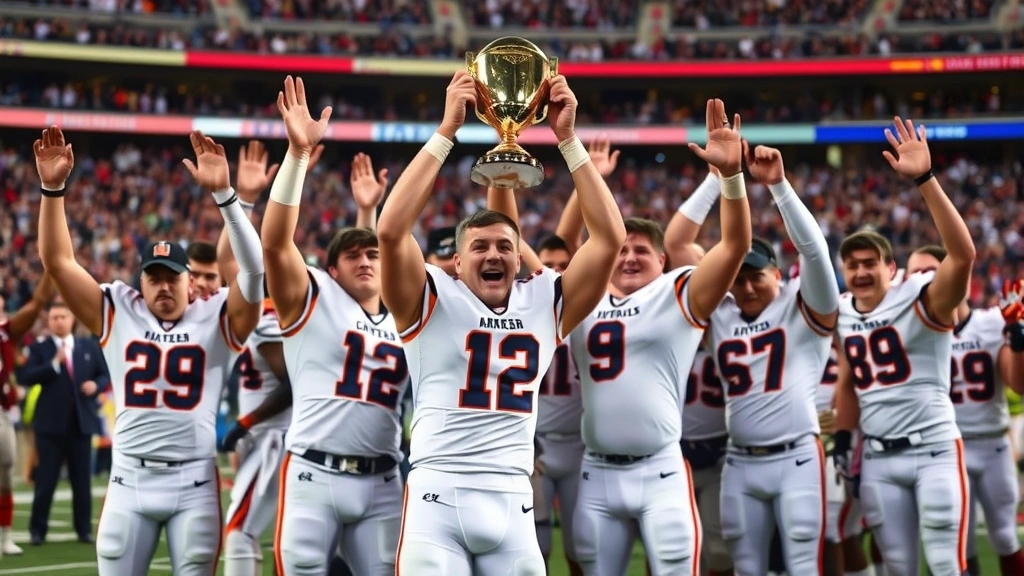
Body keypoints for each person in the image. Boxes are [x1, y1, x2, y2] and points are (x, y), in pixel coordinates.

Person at [378, 70, 625, 574]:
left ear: (519, 259)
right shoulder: (431, 296)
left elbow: (609, 240)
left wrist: (568, 139)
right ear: (456, 262)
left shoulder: (543, 300)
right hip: (438, 490)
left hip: (513, 493)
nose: (493, 254)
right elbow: (390, 230)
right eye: (480, 246)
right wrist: (446, 131)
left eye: (504, 247)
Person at [34, 125, 264, 575]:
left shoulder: (217, 314)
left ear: (190, 282)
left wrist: (226, 197)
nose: (163, 286)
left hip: (195, 480)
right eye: (154, 277)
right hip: (129, 478)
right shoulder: (118, 309)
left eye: (172, 277)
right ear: (139, 282)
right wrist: (53, 190)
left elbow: (254, 273)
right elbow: (58, 263)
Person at [562, 99, 751, 576]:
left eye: (641, 251)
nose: (628, 258)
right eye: (620, 250)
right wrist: (580, 160)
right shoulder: (582, 298)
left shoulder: (678, 291)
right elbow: (562, 246)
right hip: (596, 469)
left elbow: (734, 246)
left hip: (660, 467)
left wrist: (730, 178)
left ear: (663, 261)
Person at [259, 76, 404, 576]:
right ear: (333, 270)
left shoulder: (404, 314)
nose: (365, 261)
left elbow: (376, 256)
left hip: (384, 479)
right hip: (314, 471)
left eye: (373, 255)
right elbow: (275, 244)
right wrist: (297, 156)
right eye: (352, 256)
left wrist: (369, 210)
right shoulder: (315, 298)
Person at [832, 117, 976, 576]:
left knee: (945, 564)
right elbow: (848, 381)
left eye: (869, 263)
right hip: (877, 455)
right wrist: (843, 439)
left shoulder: (921, 296)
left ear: (891, 269)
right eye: (851, 265)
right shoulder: (842, 311)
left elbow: (964, 255)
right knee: (896, 567)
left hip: (934, 447)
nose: (860, 272)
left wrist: (925, 179)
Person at [700, 144, 837, 575]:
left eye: (756, 276)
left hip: (796, 456)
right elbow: (680, 248)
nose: (746, 288)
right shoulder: (720, 313)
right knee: (746, 567)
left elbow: (815, 252)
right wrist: (724, 180)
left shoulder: (802, 304)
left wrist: (779, 186)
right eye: (738, 279)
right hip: (739, 459)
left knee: (803, 565)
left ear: (778, 274)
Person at [906, 245, 1024, 575]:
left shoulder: (990, 323)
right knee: (959, 545)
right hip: (941, 448)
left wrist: (1017, 339)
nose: (922, 281)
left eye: (929, 272)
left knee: (1004, 536)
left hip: (991, 444)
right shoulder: (906, 328)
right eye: (914, 274)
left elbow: (1018, 384)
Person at [19, 299, 110, 546]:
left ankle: (84, 529)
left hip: (81, 423)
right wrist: (53, 364)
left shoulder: (87, 346)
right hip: (50, 426)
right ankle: (38, 531)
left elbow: (104, 373)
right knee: (45, 480)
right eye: (54, 318)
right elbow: (26, 376)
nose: (59, 322)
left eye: (63, 317)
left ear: (72, 319)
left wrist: (96, 385)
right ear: (48, 322)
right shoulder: (39, 348)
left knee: (82, 481)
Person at [0, 274, 54, 556]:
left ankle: (4, 536)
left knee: (6, 472)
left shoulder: (6, 332)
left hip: (2, 412)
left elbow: (36, 304)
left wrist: (51, 271)